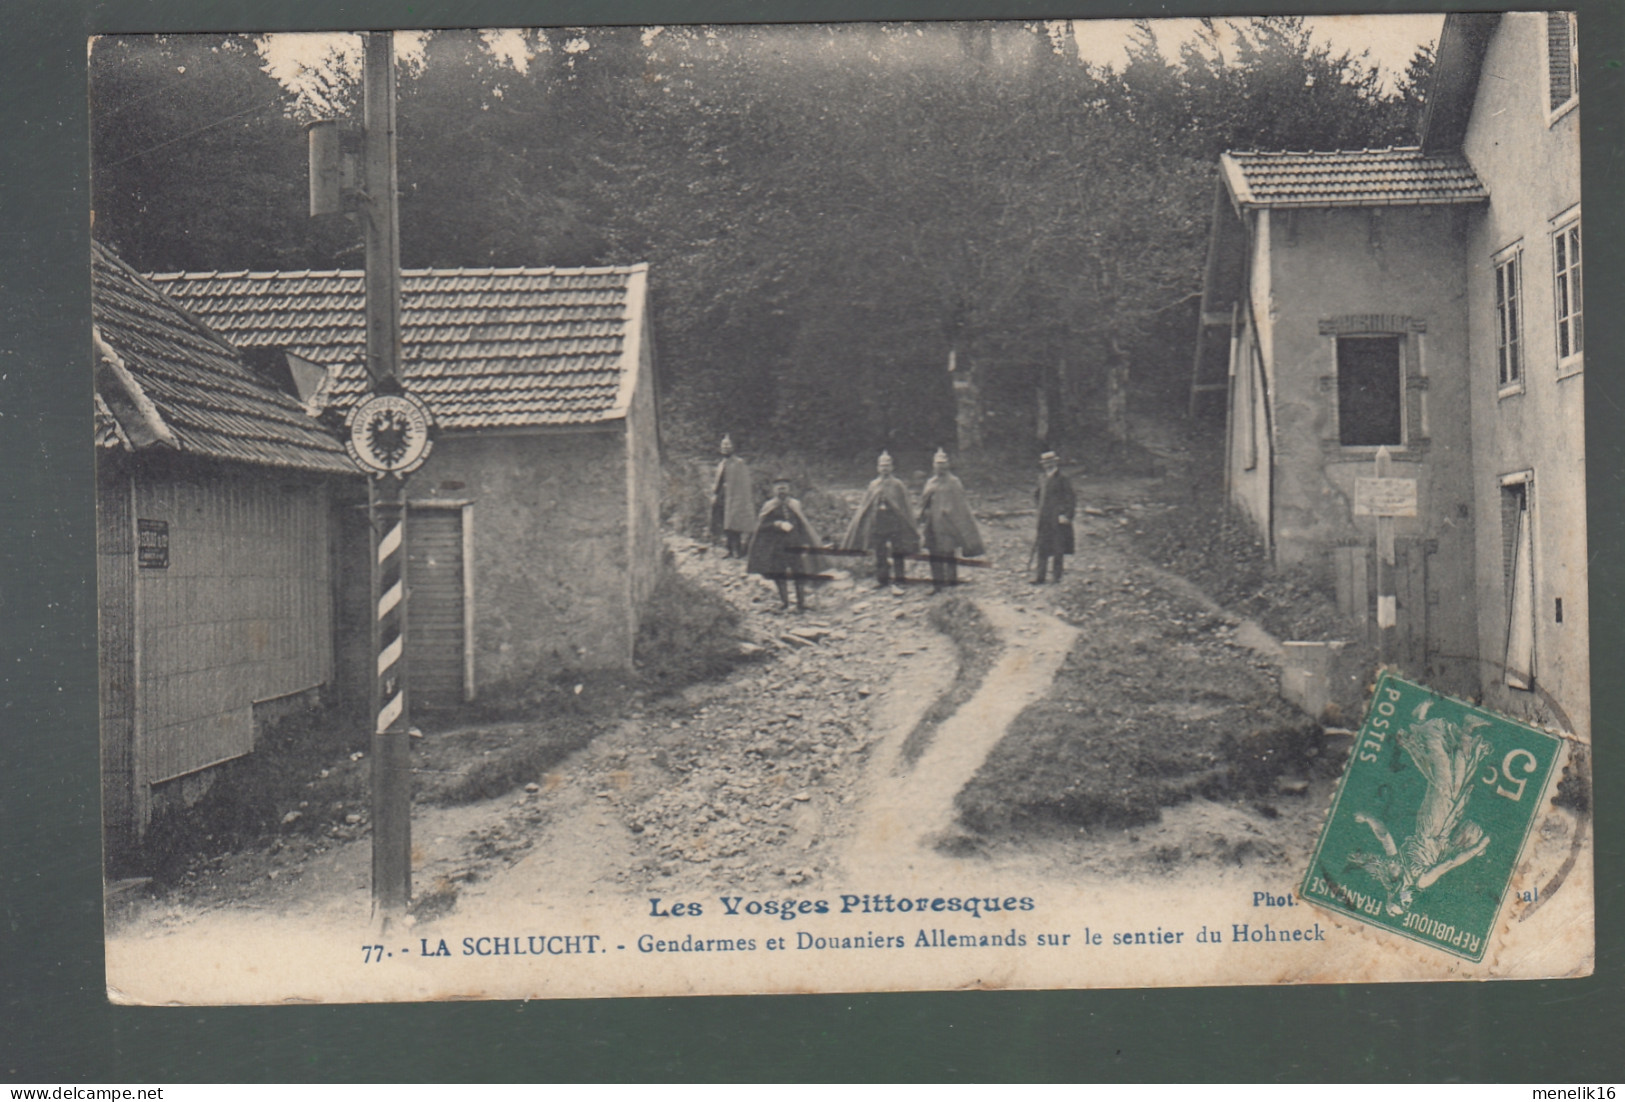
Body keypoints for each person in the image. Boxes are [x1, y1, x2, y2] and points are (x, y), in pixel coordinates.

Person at [840, 451, 920, 595]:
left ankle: (900, 579)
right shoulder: (873, 484)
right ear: (878, 468)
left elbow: (905, 506)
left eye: (887, 466)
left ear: (892, 467)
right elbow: (866, 505)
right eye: (882, 466)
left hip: (894, 522)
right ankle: (882, 579)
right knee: (880, 552)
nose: (885, 468)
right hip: (878, 523)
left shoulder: (898, 484)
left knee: (897, 551)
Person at [746, 476, 826, 612]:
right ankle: (785, 603)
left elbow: (802, 525)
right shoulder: (769, 506)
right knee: (779, 574)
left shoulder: (795, 504)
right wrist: (777, 524)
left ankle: (801, 603)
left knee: (799, 573)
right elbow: (761, 526)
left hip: (795, 545)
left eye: (784, 487)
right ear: (773, 490)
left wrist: (805, 541)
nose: (781, 490)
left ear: (789, 489)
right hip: (777, 547)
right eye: (778, 488)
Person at [917, 448, 984, 594]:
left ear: (947, 465)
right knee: (934, 555)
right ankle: (937, 585)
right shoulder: (930, 482)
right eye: (937, 464)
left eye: (943, 464)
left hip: (948, 524)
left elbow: (960, 506)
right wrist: (922, 516)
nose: (940, 467)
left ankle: (952, 584)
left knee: (948, 554)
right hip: (932, 524)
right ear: (933, 466)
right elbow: (924, 503)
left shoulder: (954, 482)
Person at [1032, 450, 1075, 584]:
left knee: (1058, 548)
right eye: (1045, 463)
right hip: (1044, 518)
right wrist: (1040, 509)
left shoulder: (1062, 478)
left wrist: (1066, 515)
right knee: (1042, 547)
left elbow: (1071, 498)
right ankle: (1040, 577)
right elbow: (1037, 495)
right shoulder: (1042, 478)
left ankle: (1057, 577)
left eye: (1050, 463)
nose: (1047, 466)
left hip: (1058, 518)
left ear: (1055, 463)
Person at [709, 434, 755, 558]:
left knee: (735, 522)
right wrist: (715, 494)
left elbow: (744, 483)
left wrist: (741, 499)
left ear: (733, 447)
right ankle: (728, 548)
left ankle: (737, 550)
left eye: (728, 445)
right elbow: (718, 482)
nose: (725, 447)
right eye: (723, 445)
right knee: (725, 523)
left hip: (735, 497)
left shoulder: (739, 463)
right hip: (722, 497)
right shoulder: (721, 463)